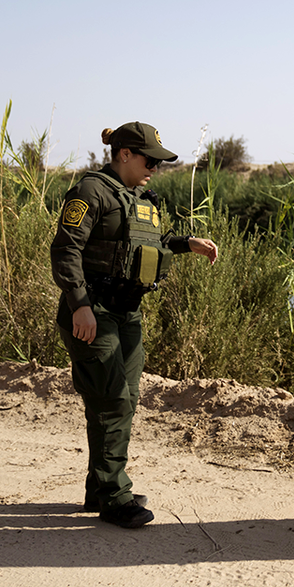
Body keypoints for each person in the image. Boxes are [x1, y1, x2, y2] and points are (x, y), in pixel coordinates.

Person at [50, 121, 218, 529]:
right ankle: (113, 495)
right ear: (124, 154)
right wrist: (80, 306)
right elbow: (65, 250)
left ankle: (101, 487)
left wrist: (185, 243)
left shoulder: (139, 196)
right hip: (94, 312)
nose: (154, 169)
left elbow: (143, 244)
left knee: (123, 398)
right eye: (149, 160)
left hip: (127, 313)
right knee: (112, 400)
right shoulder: (90, 191)